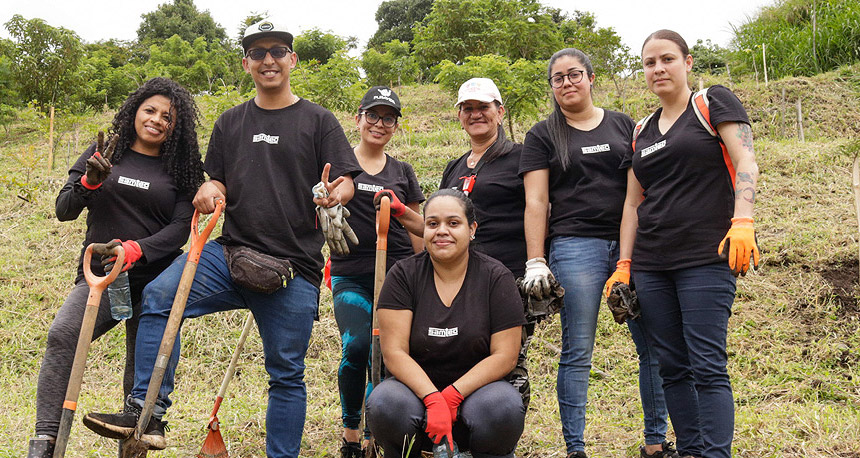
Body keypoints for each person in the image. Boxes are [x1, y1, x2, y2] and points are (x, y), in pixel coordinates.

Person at [82, 20, 362, 458]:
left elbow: (344, 180)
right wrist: (212, 190)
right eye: (257, 52)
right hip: (228, 254)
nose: (268, 59)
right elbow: (219, 184)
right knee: (157, 297)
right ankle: (148, 413)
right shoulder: (231, 122)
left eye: (277, 50)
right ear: (246, 62)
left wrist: (333, 194)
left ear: (293, 59)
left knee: (285, 373)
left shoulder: (319, 120)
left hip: (294, 267)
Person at [26, 77, 204, 458]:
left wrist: (139, 249)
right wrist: (90, 182)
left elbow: (178, 230)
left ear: (178, 125)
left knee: (137, 376)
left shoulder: (184, 169)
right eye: (150, 110)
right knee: (63, 335)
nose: (156, 120)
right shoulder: (106, 151)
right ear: (135, 111)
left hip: (156, 279)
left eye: (167, 117)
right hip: (102, 277)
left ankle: (135, 445)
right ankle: (45, 442)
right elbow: (64, 210)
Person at [608, 30, 760, 458]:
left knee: (708, 365)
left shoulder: (711, 103)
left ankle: (715, 454)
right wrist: (625, 263)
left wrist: (743, 219)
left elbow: (745, 158)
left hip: (705, 257)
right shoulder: (641, 130)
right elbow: (633, 203)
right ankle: (691, 451)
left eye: (667, 59)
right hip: (653, 264)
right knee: (671, 367)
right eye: (649, 62)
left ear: (687, 62)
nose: (658, 68)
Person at [519, 48, 674, 458]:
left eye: (574, 75)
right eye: (558, 78)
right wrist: (537, 259)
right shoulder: (543, 135)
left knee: (654, 346)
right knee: (579, 347)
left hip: (633, 247)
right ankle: (576, 448)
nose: (566, 83)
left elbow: (642, 189)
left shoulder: (624, 124)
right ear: (551, 87)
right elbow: (535, 202)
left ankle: (656, 443)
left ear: (590, 77)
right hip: (575, 246)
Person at [381, 77, 534, 406]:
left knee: (502, 366)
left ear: (500, 112)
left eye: (483, 107)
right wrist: (402, 213)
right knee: (454, 357)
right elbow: (440, 227)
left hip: (505, 277)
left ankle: (492, 433)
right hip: (455, 278)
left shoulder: (522, 158)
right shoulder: (455, 167)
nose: (476, 114)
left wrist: (539, 260)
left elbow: (540, 209)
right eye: (468, 108)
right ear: (460, 115)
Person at [365, 189, 526, 458]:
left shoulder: (496, 277)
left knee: (504, 406)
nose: (441, 231)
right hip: (413, 398)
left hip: (479, 395)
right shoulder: (403, 276)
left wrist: (451, 396)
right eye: (432, 223)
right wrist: (432, 398)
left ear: (471, 229)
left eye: (453, 223)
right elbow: (394, 352)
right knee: (385, 403)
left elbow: (505, 356)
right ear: (424, 229)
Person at [329, 86, 424, 458]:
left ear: (396, 126)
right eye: (373, 115)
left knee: (385, 353)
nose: (379, 124)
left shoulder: (402, 171)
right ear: (358, 119)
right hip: (350, 274)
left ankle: (376, 432)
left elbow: (420, 229)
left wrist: (423, 273)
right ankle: (352, 431)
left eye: (388, 118)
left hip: (398, 277)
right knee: (357, 346)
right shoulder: (339, 167)